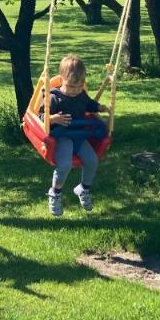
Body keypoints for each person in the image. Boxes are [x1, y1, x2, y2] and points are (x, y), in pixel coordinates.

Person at [46, 54, 108, 217]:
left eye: (79, 87)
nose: (75, 91)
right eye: (71, 87)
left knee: (92, 160)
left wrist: (99, 107)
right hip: (63, 136)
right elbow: (41, 117)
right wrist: (53, 118)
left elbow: (89, 104)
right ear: (61, 80)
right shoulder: (53, 98)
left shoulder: (81, 94)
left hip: (80, 136)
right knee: (64, 165)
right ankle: (55, 193)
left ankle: (83, 189)